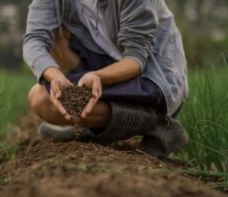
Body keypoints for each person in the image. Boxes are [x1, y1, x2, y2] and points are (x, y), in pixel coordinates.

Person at [23, 0, 189, 159]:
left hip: (152, 76)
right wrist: (55, 75)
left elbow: (135, 59)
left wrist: (98, 77)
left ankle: (157, 122)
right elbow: (34, 39)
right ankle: (92, 124)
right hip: (102, 63)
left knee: (40, 98)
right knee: (43, 100)